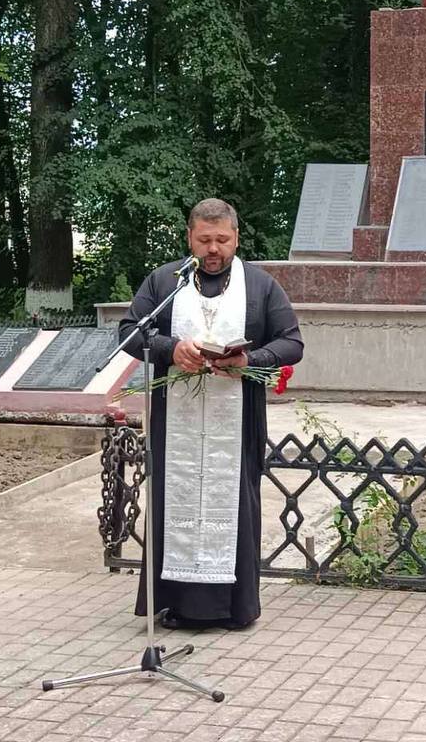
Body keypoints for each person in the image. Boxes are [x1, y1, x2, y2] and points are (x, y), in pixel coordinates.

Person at [119, 198, 303, 631]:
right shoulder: (166, 281)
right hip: (176, 422)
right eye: (204, 240)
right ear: (190, 238)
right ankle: (172, 603)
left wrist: (251, 359)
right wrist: (170, 349)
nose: (214, 249)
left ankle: (235, 608)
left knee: (235, 505)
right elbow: (129, 331)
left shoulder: (259, 285)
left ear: (236, 237)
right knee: (173, 501)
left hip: (236, 422)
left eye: (222, 239)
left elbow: (292, 342)